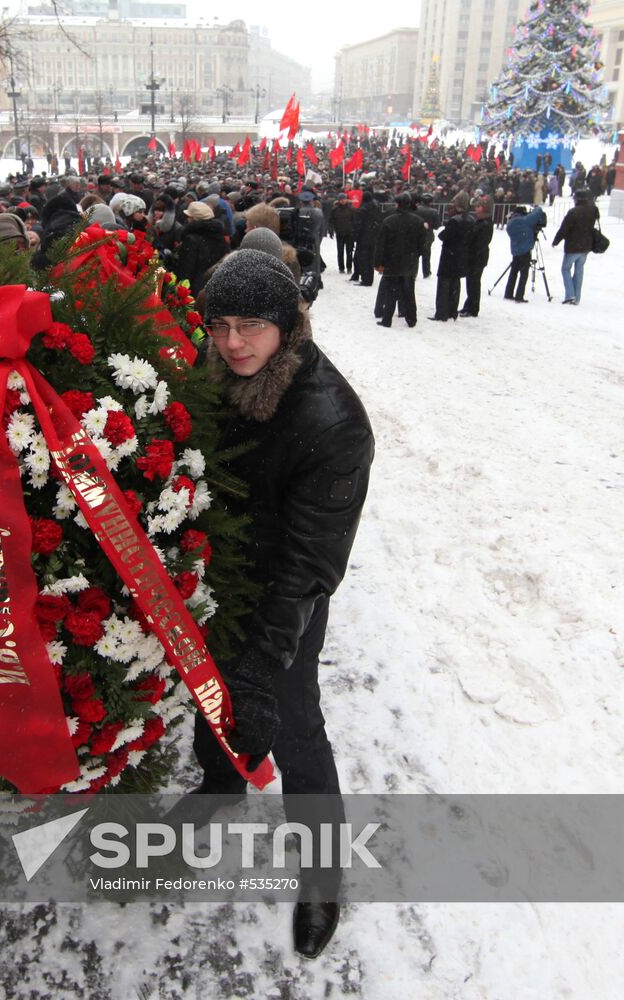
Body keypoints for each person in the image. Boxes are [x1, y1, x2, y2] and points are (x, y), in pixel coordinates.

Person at [190, 248, 374, 960]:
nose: (233, 342)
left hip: (284, 596)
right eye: (221, 325)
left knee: (292, 725)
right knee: (208, 691)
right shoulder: (211, 374)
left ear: (289, 325)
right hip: (211, 580)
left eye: (252, 327)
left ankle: (324, 874)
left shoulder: (332, 420)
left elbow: (311, 561)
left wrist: (265, 661)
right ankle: (218, 777)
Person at [372, 192, 426, 328]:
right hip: (410, 261)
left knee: (391, 292)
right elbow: (422, 244)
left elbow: (381, 244)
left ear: (397, 204)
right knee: (409, 292)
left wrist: (378, 262)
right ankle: (411, 319)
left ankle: (387, 319)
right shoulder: (418, 221)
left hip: (392, 261)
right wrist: (416, 255)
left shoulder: (389, 221)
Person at [431, 192, 473, 321]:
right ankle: (452, 311)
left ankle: (442, 312)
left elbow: (444, 236)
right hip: (462, 255)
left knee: (444, 285)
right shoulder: (471, 219)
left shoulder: (455, 221)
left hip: (450, 256)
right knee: (455, 284)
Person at [553, 188, 600, 305]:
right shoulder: (593, 210)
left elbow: (564, 228)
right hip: (586, 245)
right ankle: (577, 297)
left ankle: (570, 294)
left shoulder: (573, 212)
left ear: (577, 199)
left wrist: (556, 241)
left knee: (565, 269)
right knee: (579, 270)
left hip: (573, 245)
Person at [170, 200, 228, 294]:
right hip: (209, 288)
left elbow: (186, 270)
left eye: (189, 217)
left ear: (193, 219)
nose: (187, 220)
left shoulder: (191, 239)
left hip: (191, 289)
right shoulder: (219, 237)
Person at [460, 194, 495, 317]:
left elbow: (480, 243)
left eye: (479, 206)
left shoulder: (484, 224)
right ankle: (468, 305)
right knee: (472, 283)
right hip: (475, 256)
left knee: (474, 283)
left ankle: (473, 308)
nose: (476, 209)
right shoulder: (481, 221)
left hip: (477, 257)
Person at [503, 204, 546, 302]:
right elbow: (538, 212)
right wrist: (536, 207)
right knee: (524, 274)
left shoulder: (510, 223)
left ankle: (508, 293)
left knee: (513, 272)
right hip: (525, 250)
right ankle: (519, 296)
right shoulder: (525, 221)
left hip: (515, 250)